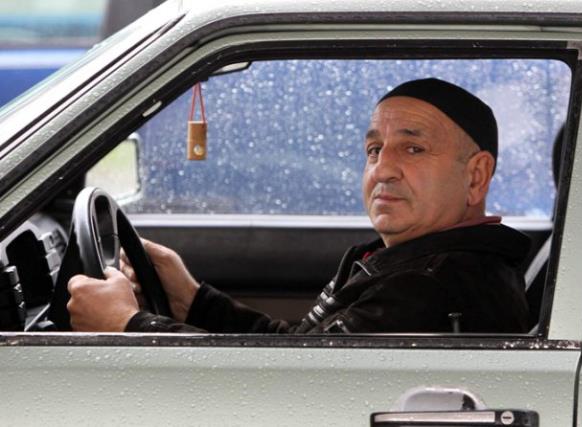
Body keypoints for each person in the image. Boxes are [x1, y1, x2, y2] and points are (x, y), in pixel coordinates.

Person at [66, 78, 530, 334]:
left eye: (413, 149)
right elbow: (300, 352)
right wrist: (192, 300)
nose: (382, 169)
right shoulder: (408, 262)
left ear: (476, 176)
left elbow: (284, 383)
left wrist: (129, 325)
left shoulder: (437, 287)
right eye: (374, 150)